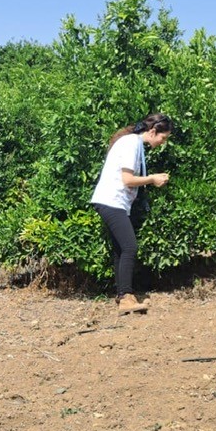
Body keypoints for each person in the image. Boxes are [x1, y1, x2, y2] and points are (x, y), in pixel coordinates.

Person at [90, 114, 172, 315]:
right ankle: (126, 297)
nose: (163, 142)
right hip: (112, 201)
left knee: (121, 249)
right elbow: (127, 180)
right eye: (163, 138)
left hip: (112, 202)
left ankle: (123, 295)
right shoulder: (131, 144)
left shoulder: (134, 144)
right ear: (153, 132)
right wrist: (152, 179)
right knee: (129, 247)